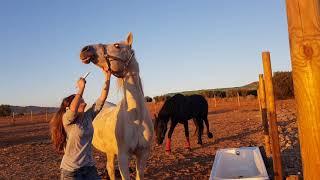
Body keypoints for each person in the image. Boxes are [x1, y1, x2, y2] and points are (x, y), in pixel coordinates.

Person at [50, 71, 111, 180]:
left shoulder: (88, 116)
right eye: (78, 100)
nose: (82, 99)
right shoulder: (67, 119)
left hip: (89, 168)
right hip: (71, 171)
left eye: (81, 98)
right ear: (68, 108)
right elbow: (73, 109)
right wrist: (81, 88)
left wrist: (107, 76)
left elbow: (102, 98)